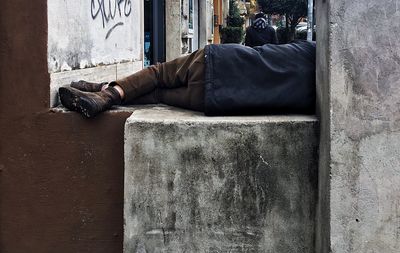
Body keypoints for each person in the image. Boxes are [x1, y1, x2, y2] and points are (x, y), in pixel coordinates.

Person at [59, 40, 316, 118]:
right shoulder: (322, 94)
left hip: (217, 62)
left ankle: (106, 95)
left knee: (157, 74)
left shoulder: (315, 49)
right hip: (216, 101)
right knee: (157, 95)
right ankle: (97, 90)